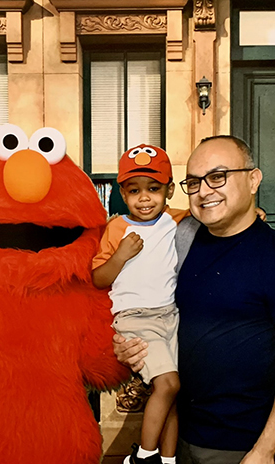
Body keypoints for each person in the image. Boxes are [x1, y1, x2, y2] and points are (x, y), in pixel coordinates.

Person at [114, 135, 275, 464]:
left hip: (241, 446)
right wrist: (128, 344)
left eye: (218, 177)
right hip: (179, 438)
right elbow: (146, 307)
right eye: (194, 182)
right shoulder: (180, 242)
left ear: (253, 180)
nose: (204, 191)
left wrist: (264, 451)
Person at [93, 144, 189, 464]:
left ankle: (168, 460)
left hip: (170, 315)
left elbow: (216, 215)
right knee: (168, 383)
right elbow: (98, 278)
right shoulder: (116, 228)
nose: (144, 198)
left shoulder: (178, 219)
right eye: (134, 190)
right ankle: (143, 457)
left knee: (173, 391)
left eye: (154, 189)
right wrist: (120, 255)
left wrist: (251, 214)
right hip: (135, 317)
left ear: (170, 190)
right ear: (122, 192)